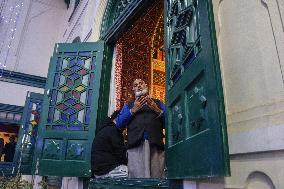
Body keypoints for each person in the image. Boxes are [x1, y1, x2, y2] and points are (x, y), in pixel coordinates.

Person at [115, 79, 165, 178]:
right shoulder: (128, 105)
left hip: (155, 147)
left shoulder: (158, 103)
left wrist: (156, 109)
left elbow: (170, 122)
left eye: (141, 83)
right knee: (137, 179)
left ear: (146, 86)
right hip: (135, 147)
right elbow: (119, 123)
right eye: (135, 85)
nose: (138, 86)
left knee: (157, 178)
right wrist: (133, 110)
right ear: (133, 89)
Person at [91, 110, 128, 178]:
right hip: (106, 170)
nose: (125, 127)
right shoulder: (113, 131)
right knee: (134, 173)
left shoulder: (106, 128)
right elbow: (121, 154)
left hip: (100, 170)